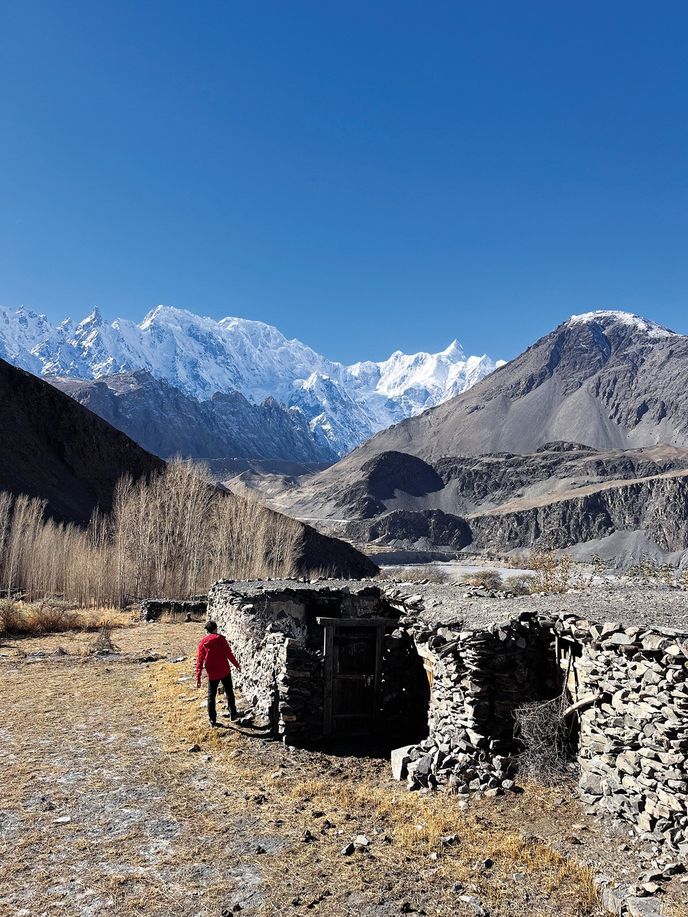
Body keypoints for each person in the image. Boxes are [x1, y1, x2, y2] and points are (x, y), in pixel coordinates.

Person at [195, 620, 241, 726]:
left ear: (207, 630)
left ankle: (212, 720)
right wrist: (236, 665)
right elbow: (229, 654)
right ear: (216, 629)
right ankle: (233, 714)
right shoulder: (221, 639)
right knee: (229, 692)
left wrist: (198, 677)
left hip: (212, 672)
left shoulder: (202, 643)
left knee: (211, 696)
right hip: (224, 669)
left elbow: (200, 661)